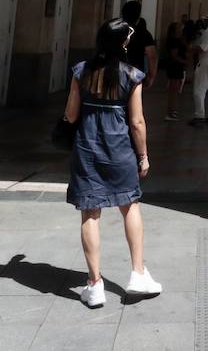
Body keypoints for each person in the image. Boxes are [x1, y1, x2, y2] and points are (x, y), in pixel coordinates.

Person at [63, 18, 161, 308]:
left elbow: (70, 115)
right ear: (123, 43)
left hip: (88, 148)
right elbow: (137, 122)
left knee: (89, 213)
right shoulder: (132, 75)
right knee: (130, 206)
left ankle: (94, 285)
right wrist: (143, 156)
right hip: (119, 149)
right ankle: (138, 274)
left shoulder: (81, 72)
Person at [119, 1, 158, 82]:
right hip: (135, 72)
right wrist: (151, 76)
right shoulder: (144, 33)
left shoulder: (116, 29)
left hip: (116, 71)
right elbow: (152, 56)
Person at [160, 21, 188, 121]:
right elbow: (174, 55)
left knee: (175, 90)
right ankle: (170, 112)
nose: (181, 28)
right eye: (178, 27)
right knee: (173, 90)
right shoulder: (175, 41)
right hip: (175, 67)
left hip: (176, 66)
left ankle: (172, 110)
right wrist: (185, 61)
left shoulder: (176, 39)